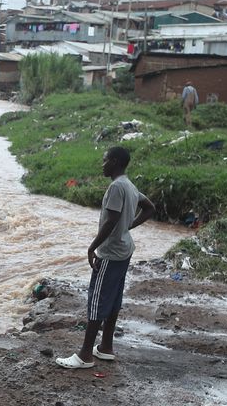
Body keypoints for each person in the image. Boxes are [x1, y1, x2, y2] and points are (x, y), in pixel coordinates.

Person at [56, 146, 155, 370]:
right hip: (124, 250)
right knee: (113, 299)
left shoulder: (116, 187)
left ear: (115, 162)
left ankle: (84, 355)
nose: (102, 165)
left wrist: (92, 247)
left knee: (97, 300)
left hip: (110, 252)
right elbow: (149, 208)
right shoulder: (129, 185)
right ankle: (106, 347)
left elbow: (111, 220)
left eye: (105, 160)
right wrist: (128, 227)